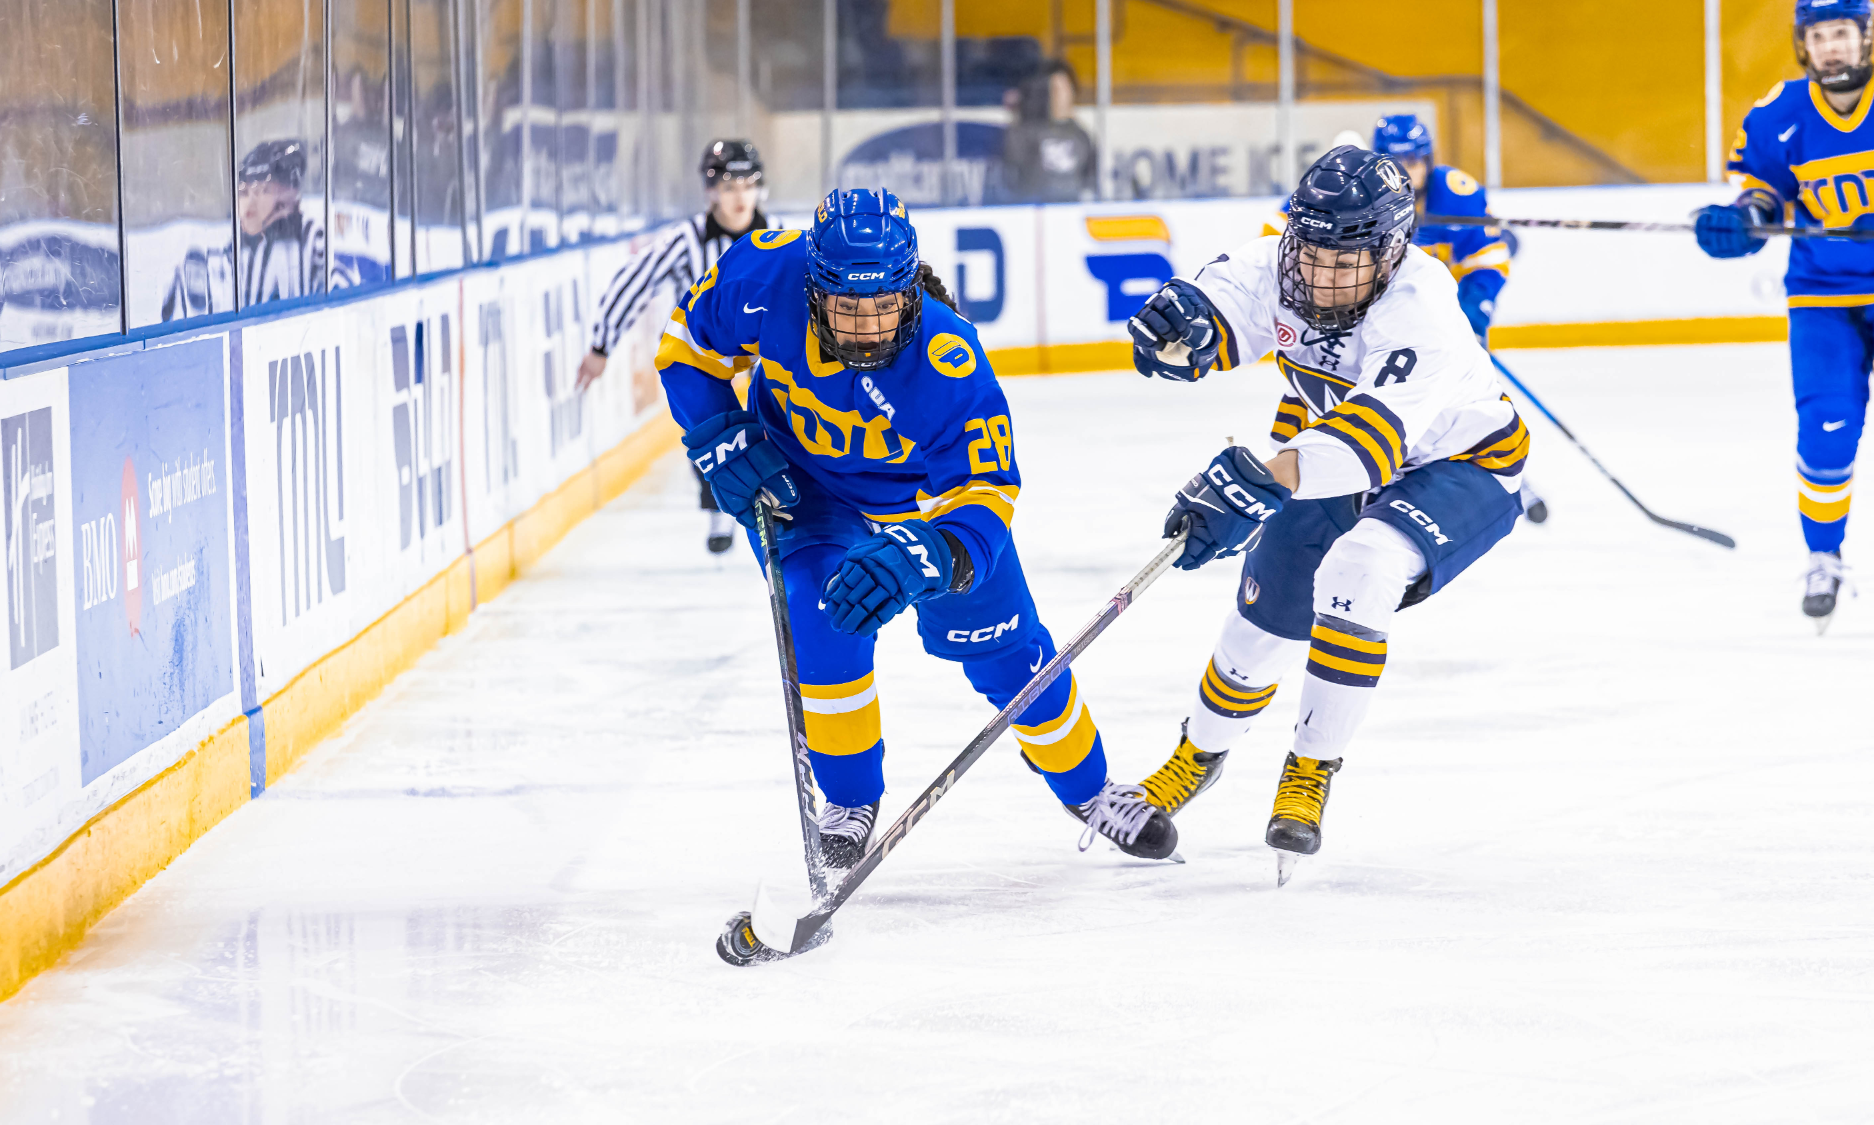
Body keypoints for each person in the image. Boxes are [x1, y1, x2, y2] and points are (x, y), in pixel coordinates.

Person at [657, 188, 1177, 868]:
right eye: (847, 307)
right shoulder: (763, 273)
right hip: (803, 486)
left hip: (927, 506)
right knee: (821, 619)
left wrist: (932, 551)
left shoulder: (946, 358)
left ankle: (1092, 789)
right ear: (814, 290)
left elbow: (989, 490)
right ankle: (848, 799)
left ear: (909, 288)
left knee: (1007, 652)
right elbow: (686, 343)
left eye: (884, 306)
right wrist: (719, 436)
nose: (868, 327)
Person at [1127, 148, 1530, 882]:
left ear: (1392, 251)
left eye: (1346, 260)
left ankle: (1309, 770)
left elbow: (1369, 447)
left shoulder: (1424, 301)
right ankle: (1195, 756)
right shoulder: (1273, 261)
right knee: (1259, 622)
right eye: (1309, 252)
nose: (1320, 274)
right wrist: (1175, 330)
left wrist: (1255, 482)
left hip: (1461, 465)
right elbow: (1215, 315)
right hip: (1330, 448)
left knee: (1362, 566)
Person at [1265, 116, 1548, 524]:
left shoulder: (1455, 193)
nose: (1410, 170)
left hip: (1434, 331)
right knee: (1338, 396)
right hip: (1355, 327)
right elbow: (1277, 233)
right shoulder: (1353, 192)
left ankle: (1485, 475)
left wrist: (1472, 312)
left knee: (1459, 406)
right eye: (1397, 161)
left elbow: (1489, 256)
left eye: (1416, 160)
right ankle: (1318, 478)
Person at [1695, 0, 1873, 632]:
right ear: (1805, 44)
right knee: (1826, 429)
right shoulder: (1780, 114)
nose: (1830, 47)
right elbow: (1764, 194)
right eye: (1818, 36)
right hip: (1824, 297)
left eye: (1841, 34)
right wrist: (1743, 223)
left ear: (1865, 37)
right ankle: (1824, 557)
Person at [581, 139, 780, 554]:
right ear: (711, 192)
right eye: (729, 187)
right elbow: (636, 281)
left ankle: (781, 505)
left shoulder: (779, 235)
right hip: (704, 361)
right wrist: (601, 345)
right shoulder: (686, 239)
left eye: (747, 186)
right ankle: (715, 508)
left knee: (779, 429)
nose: (739, 197)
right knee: (709, 433)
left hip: (765, 361)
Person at [160, 139, 344, 320]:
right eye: (243, 193)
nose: (250, 202)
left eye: (263, 190)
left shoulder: (310, 236)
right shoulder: (230, 256)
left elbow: (341, 294)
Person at [1000, 60, 1097, 203]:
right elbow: (1010, 170)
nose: (1057, 95)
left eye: (1061, 88)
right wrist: (1019, 115)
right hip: (1034, 211)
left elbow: (1091, 182)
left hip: (1071, 211)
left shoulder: (1081, 136)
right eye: (1052, 89)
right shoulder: (1028, 131)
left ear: (1072, 91)